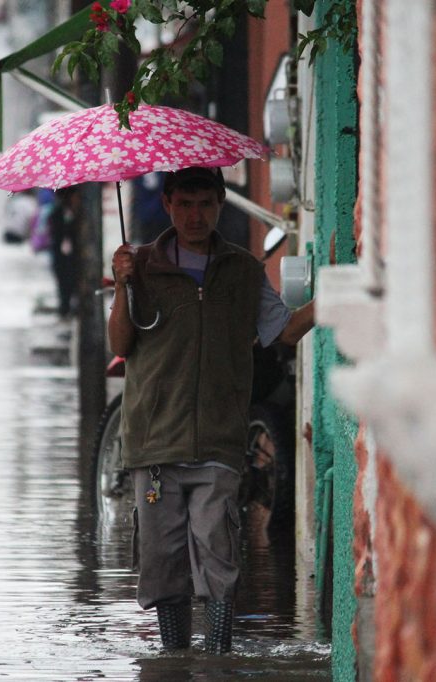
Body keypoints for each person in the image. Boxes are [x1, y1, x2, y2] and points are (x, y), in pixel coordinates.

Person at [107, 167, 315, 654]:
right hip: (155, 442)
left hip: (220, 439)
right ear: (168, 205)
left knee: (218, 551)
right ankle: (175, 658)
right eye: (185, 205)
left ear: (221, 203)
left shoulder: (242, 270)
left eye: (205, 204)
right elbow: (120, 344)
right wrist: (120, 286)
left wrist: (333, 299)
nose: (194, 216)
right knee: (163, 561)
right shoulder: (140, 266)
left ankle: (218, 657)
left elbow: (283, 331)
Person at [47, 185, 83, 318]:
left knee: (73, 283)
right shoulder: (58, 213)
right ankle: (65, 309)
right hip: (61, 257)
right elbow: (56, 234)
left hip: (72, 256)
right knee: (64, 284)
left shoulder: (78, 213)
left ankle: (70, 309)